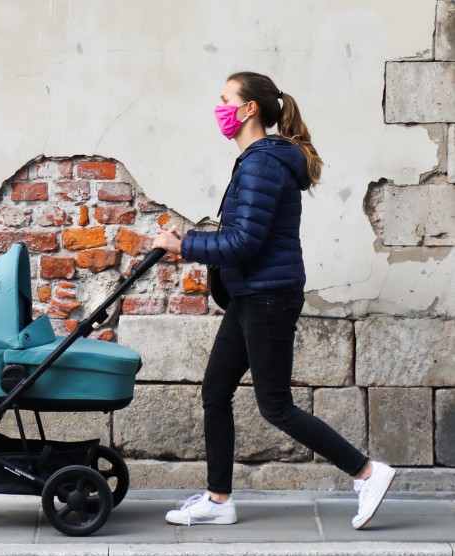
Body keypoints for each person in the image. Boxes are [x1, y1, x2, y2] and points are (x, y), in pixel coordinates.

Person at [151, 71, 395, 529]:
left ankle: (366, 472)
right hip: (250, 295)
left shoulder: (262, 164)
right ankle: (219, 500)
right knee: (215, 391)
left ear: (248, 109)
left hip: (268, 298)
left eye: (225, 99)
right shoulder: (256, 161)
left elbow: (244, 242)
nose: (218, 107)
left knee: (276, 405)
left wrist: (183, 245)